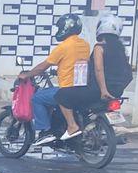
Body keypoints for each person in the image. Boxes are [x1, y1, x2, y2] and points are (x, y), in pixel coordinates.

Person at [57, 14, 134, 140]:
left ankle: (72, 126)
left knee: (61, 95)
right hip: (115, 93)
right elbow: (129, 75)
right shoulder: (121, 50)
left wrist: (104, 90)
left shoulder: (99, 47)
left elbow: (99, 70)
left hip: (98, 91)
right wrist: (118, 88)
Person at [19, 13, 90, 146]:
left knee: (37, 98)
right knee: (51, 94)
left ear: (66, 28)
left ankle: (46, 131)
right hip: (81, 88)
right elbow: (74, 62)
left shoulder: (64, 46)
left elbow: (43, 66)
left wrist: (27, 75)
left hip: (67, 89)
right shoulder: (85, 45)